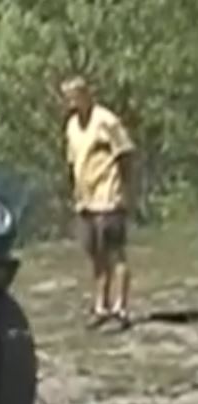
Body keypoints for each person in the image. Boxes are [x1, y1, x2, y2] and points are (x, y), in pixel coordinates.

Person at [61, 75, 137, 329]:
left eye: (76, 96)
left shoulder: (106, 120)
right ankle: (100, 306)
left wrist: (123, 189)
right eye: (68, 98)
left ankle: (121, 308)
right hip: (86, 199)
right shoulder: (72, 125)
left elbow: (125, 153)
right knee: (96, 255)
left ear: (86, 94)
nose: (72, 103)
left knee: (115, 253)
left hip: (108, 195)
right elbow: (73, 160)